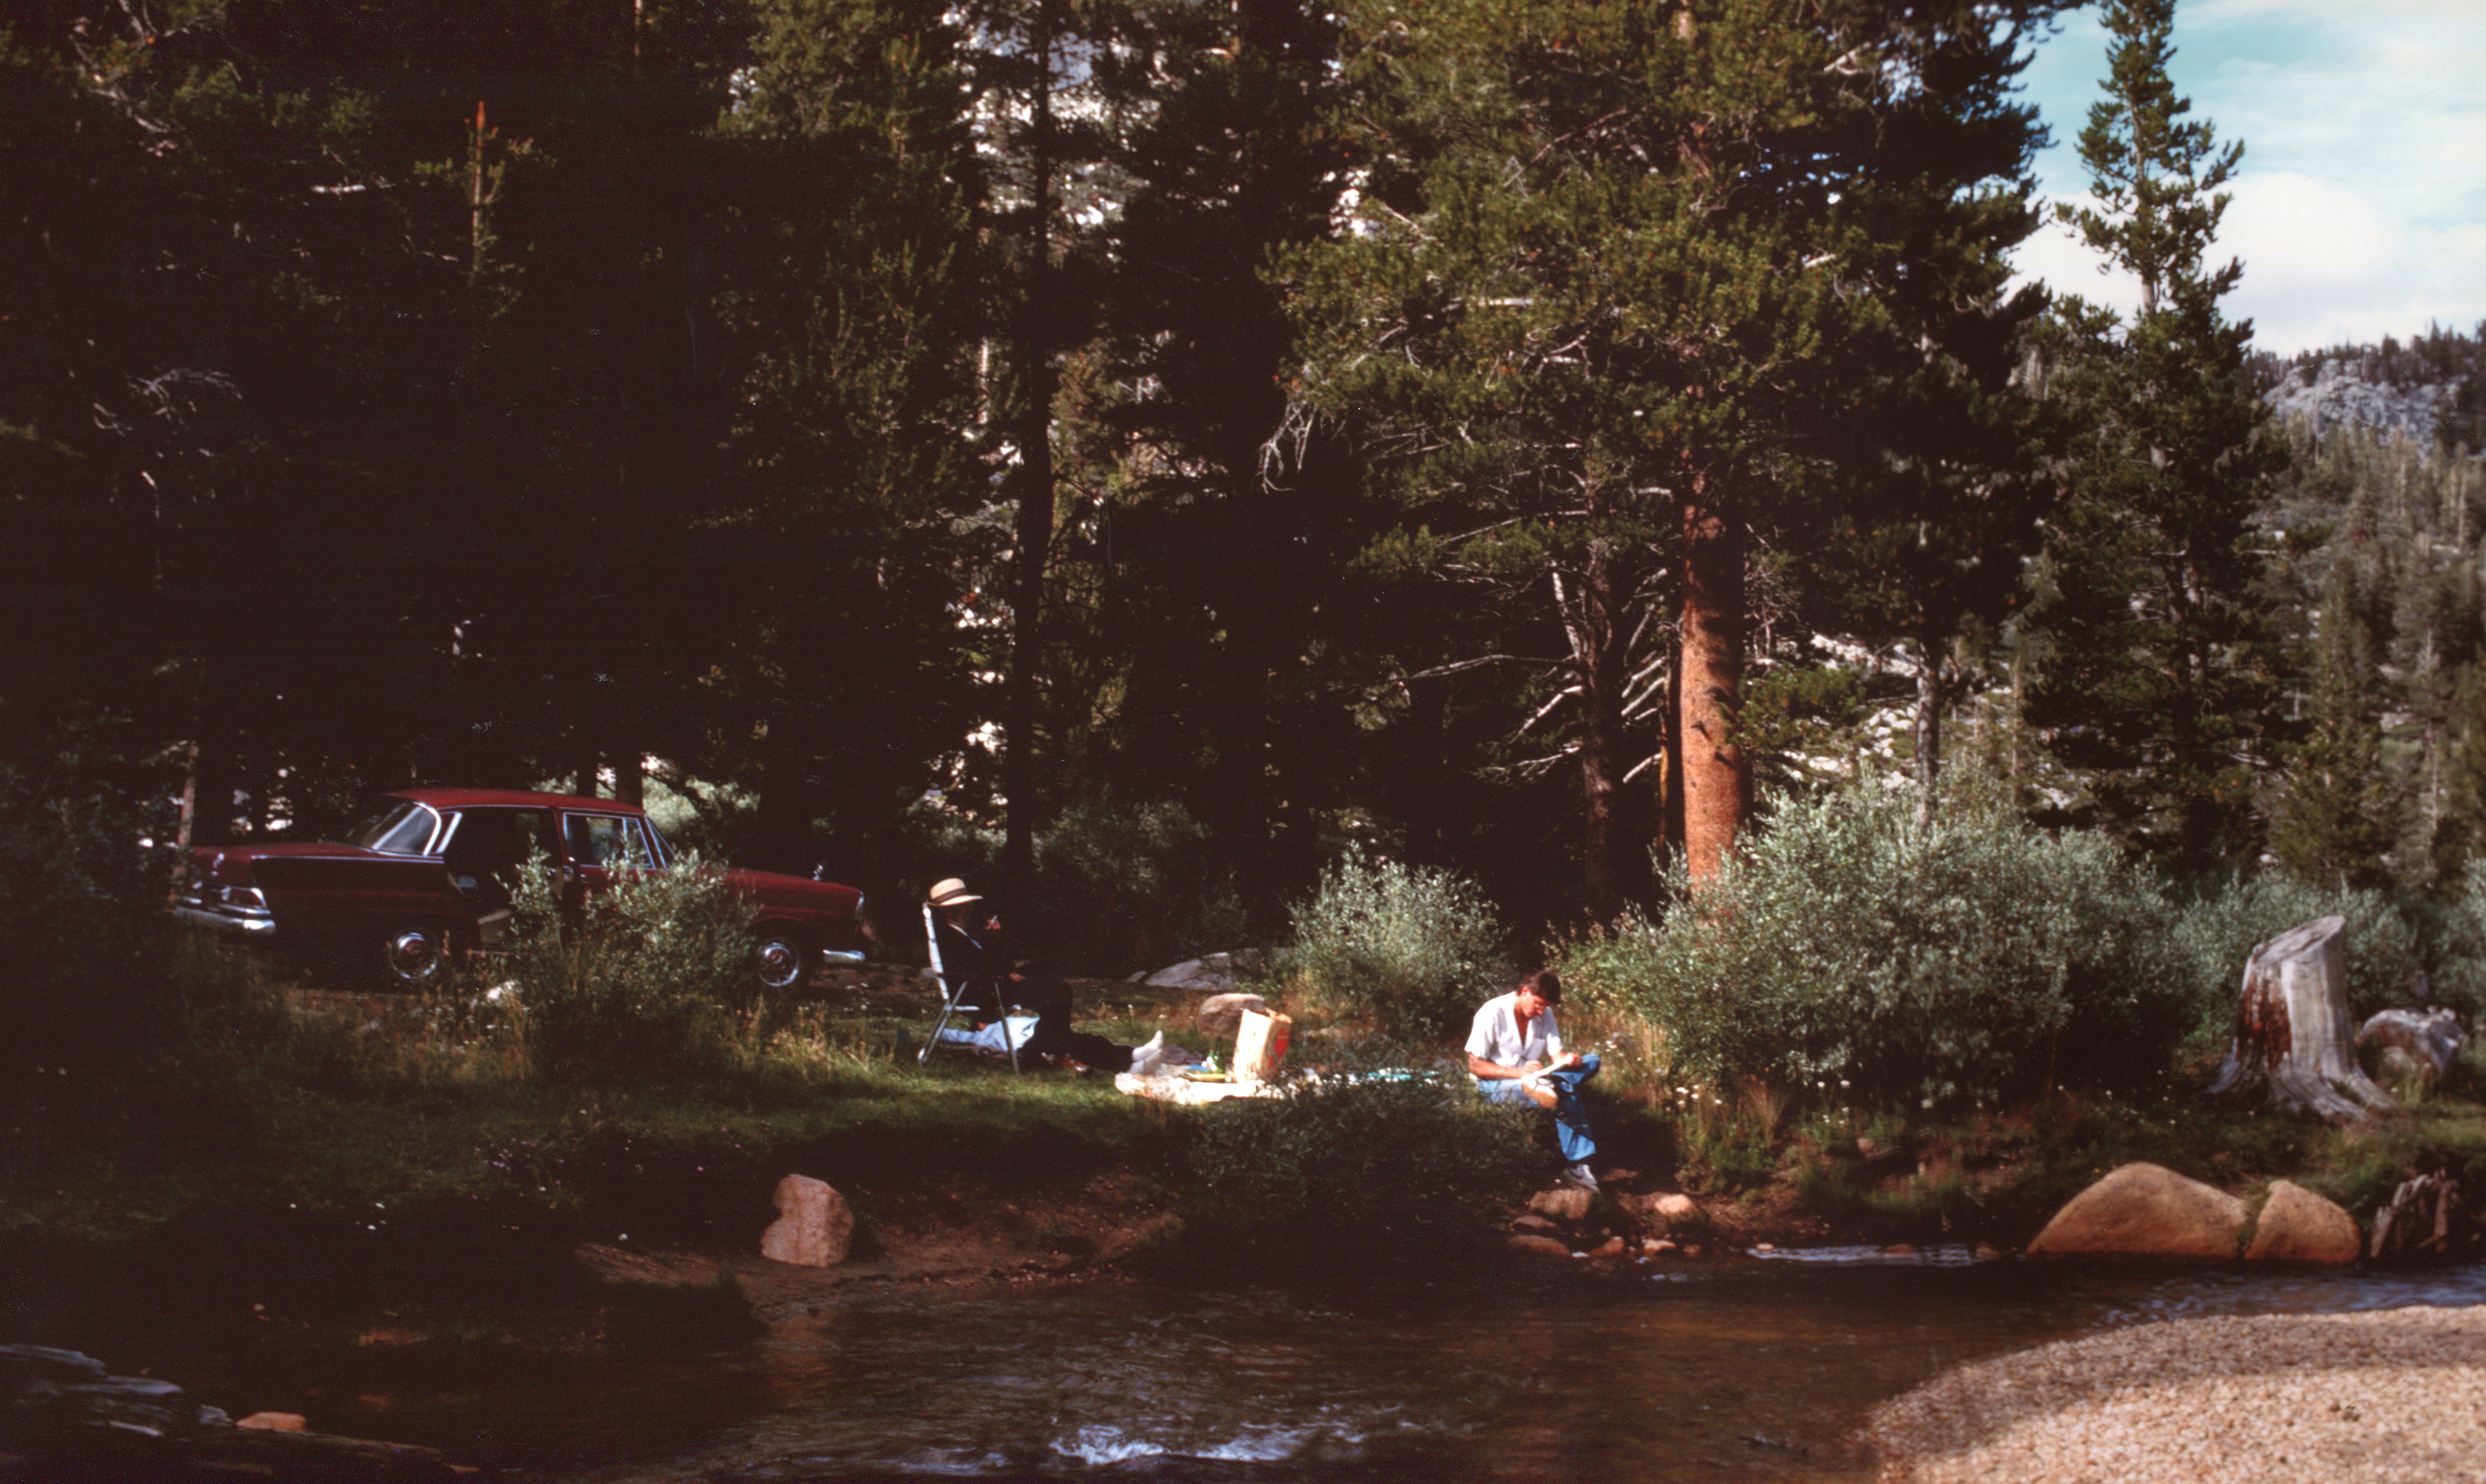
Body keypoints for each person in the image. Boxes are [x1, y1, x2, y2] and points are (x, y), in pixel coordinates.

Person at [927, 878, 1163, 1075]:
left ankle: (1128, 1057)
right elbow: (972, 972)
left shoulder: (967, 934)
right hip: (981, 992)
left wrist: (996, 943)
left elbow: (996, 963)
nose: (969, 909)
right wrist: (1005, 977)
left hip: (993, 985)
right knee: (1057, 999)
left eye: (968, 904)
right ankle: (1126, 1058)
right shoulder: (948, 939)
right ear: (948, 909)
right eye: (963, 906)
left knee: (1056, 998)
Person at [1467, 969, 1601, 1189]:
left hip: (1534, 1079)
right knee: (1564, 1091)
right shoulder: (1492, 1012)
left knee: (1593, 1060)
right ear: (1525, 991)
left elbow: (1556, 1054)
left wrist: (1568, 1058)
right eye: (1539, 1004)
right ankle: (1578, 1166)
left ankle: (1550, 1083)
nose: (1542, 1011)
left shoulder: (1544, 1013)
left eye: (1546, 1007)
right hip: (1495, 1084)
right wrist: (1520, 1073)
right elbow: (1475, 1066)